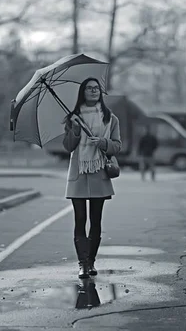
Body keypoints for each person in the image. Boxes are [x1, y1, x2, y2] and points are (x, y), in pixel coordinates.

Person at [62, 77, 122, 279]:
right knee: (80, 219)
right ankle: (82, 264)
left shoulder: (110, 118)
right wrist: (76, 130)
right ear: (83, 92)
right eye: (89, 88)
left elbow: (117, 145)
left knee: (96, 220)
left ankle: (91, 261)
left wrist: (103, 142)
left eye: (96, 88)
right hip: (78, 172)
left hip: (99, 172)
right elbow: (68, 146)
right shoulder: (73, 117)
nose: (94, 91)